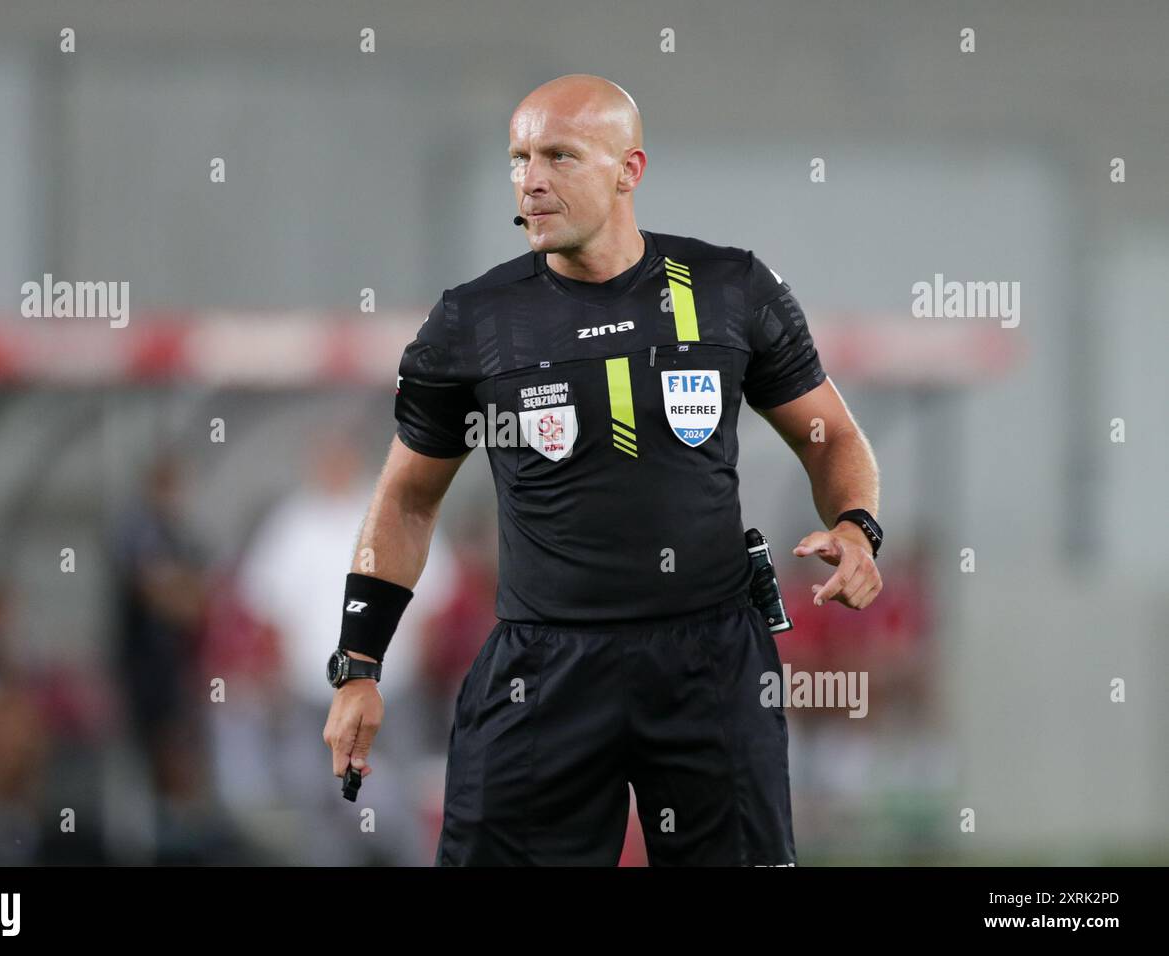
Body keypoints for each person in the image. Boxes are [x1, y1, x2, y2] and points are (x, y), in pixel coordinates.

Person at [322, 74, 883, 865]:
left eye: (559, 155)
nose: (531, 180)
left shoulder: (730, 290)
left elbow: (830, 437)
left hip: (711, 664)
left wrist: (858, 527)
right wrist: (359, 666)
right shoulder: (470, 322)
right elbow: (408, 502)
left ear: (630, 169)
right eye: (518, 159)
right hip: (543, 672)